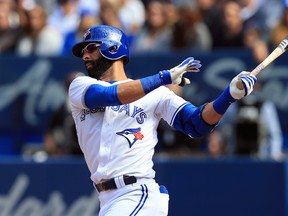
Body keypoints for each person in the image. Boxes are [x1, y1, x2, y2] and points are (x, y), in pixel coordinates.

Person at [68, 24, 257, 215]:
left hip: (136, 193)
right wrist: (164, 77)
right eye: (83, 50)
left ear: (113, 48)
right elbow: (110, 95)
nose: (85, 55)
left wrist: (229, 96)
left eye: (91, 48)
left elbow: (196, 124)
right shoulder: (80, 85)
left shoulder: (155, 94)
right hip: (107, 199)